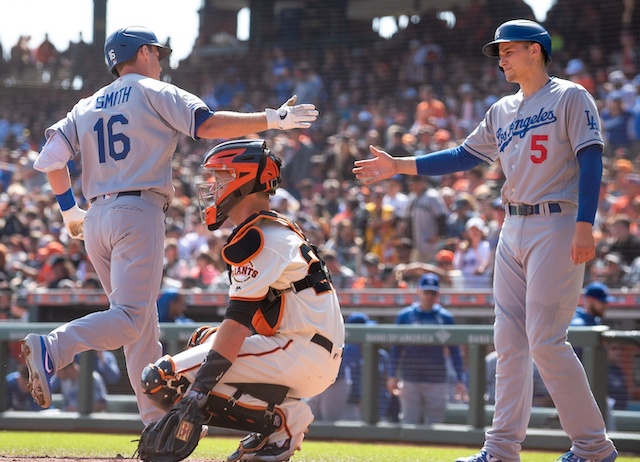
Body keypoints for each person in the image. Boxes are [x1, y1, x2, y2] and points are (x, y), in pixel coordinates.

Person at [20, 25, 319, 427]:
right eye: (157, 53)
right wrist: (274, 119)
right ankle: (52, 348)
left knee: (140, 330)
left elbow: (50, 159)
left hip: (95, 218)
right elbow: (207, 125)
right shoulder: (153, 90)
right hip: (136, 209)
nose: (160, 60)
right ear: (142, 52)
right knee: (130, 318)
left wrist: (68, 211)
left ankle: (153, 425)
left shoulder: (86, 104)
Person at [353, 19, 618, 462]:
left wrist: (585, 224)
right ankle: (499, 450)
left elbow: (590, 158)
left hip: (558, 221)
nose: (501, 58)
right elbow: (462, 155)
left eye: (509, 49)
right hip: (512, 226)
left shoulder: (570, 95)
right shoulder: (502, 109)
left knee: (546, 340)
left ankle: (592, 447)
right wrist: (400, 165)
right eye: (499, 51)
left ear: (536, 50)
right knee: (509, 342)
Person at [141, 139, 344, 461]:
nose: (212, 186)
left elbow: (237, 323)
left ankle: (282, 421)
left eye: (220, 177)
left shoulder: (260, 236)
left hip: (300, 351)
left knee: (162, 380)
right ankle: (280, 415)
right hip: (306, 350)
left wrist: (196, 393)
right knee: (203, 340)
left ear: (244, 179)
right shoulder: (269, 229)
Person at [386, 273, 467, 425]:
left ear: (438, 294)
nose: (429, 295)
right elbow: (396, 348)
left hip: (436, 380)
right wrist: (392, 375)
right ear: (418, 291)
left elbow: (455, 351)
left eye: (433, 292)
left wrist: (460, 379)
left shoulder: (445, 317)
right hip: (410, 378)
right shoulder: (405, 316)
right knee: (409, 423)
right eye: (426, 291)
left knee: (436, 425)